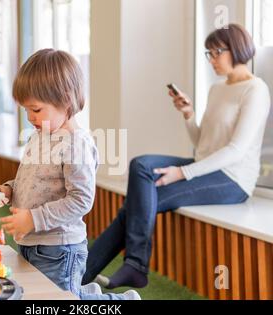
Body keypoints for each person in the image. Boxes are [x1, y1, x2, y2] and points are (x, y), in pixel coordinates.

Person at [82, 24, 271, 290]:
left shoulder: (256, 90)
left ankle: (88, 273)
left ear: (237, 49)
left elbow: (236, 150)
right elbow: (202, 142)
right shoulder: (218, 88)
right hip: (204, 165)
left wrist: (182, 173)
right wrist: (189, 114)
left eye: (216, 51)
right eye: (209, 53)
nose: (212, 59)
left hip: (233, 180)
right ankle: (129, 267)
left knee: (134, 206)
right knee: (141, 164)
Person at [0, 49, 140, 300]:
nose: (29, 118)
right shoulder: (39, 137)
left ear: (65, 101)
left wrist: (34, 219)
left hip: (59, 248)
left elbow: (81, 199)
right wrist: (8, 189)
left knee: (55, 302)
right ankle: (81, 292)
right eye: (26, 110)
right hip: (30, 242)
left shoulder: (75, 145)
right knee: (37, 297)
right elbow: (31, 181)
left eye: (36, 109)